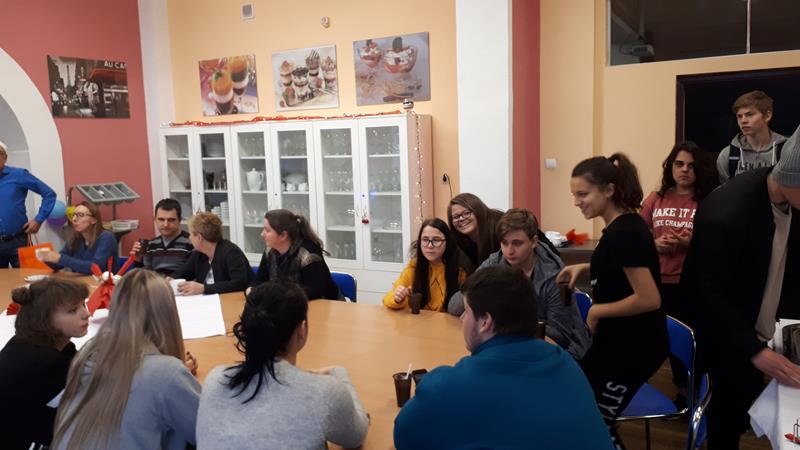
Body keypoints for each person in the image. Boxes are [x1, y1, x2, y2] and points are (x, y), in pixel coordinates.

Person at [394, 266, 614, 450]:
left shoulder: (454, 385)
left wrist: (434, 386)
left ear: (485, 322)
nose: (461, 318)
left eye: (467, 311)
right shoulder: (565, 363)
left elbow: (404, 435)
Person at [682, 124, 800, 449]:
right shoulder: (727, 213)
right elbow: (705, 295)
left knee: (742, 407)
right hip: (725, 339)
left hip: (755, 327)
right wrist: (754, 349)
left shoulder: (785, 198)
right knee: (726, 420)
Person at [558, 153, 668, 449]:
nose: (577, 202)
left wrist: (597, 311)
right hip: (615, 343)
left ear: (609, 190)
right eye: (574, 195)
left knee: (595, 422)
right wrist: (585, 268)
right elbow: (619, 267)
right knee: (578, 402)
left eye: (583, 194)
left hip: (634, 348)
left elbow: (649, 298)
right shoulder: (621, 228)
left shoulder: (626, 233)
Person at [197, 280, 370, 449]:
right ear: (302, 330)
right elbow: (356, 436)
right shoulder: (325, 393)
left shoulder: (216, 380)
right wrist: (338, 373)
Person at [52, 269, 201, 450]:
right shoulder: (166, 373)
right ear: (168, 313)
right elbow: (207, 431)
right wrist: (178, 377)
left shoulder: (88, 352)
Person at [448, 209, 591, 358]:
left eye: (517, 243)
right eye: (504, 243)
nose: (509, 251)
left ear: (534, 241)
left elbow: (561, 335)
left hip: (562, 353)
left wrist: (504, 322)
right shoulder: (496, 262)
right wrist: (475, 299)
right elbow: (454, 306)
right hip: (513, 344)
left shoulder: (555, 276)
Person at [640, 141, 716, 407]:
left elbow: (718, 241)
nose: (684, 170)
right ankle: (683, 389)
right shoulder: (655, 198)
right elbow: (637, 235)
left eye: (691, 166)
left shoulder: (707, 200)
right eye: (679, 164)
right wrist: (654, 244)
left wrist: (690, 242)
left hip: (693, 281)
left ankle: (701, 389)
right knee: (672, 338)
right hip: (660, 281)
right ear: (670, 167)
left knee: (697, 338)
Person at [0, 278, 89, 450]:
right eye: (73, 310)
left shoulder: (30, 342)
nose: (86, 314)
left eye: (83, 305)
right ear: (44, 319)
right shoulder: (47, 362)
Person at [250, 209, 339, 300]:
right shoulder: (269, 251)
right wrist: (252, 289)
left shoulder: (308, 254)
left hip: (324, 304)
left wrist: (276, 293)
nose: (262, 234)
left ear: (283, 235)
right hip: (285, 303)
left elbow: (316, 291)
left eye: (267, 230)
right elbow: (259, 281)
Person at [383, 218, 469, 312]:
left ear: (447, 242)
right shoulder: (413, 267)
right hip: (420, 319)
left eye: (436, 240)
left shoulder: (459, 270)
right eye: (425, 239)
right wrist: (398, 298)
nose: (430, 245)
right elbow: (387, 299)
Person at [0, 140, 57, 268]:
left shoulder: (18, 175)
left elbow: (49, 194)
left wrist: (38, 220)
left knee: (27, 278)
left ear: (5, 157)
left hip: (18, 242)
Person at [170, 212, 252, 295]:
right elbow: (183, 273)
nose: (189, 237)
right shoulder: (199, 254)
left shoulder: (231, 253)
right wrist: (171, 279)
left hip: (230, 300)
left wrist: (204, 288)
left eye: (190, 234)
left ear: (199, 237)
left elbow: (239, 284)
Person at [717, 90, 788, 183]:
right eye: (739, 116)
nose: (743, 121)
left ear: (767, 116)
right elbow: (726, 190)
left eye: (749, 115)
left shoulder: (787, 150)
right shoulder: (728, 155)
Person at [38, 201, 118, 274]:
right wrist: (47, 258)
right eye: (73, 215)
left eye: (80, 215)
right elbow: (59, 265)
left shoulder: (106, 237)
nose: (74, 219)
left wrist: (60, 258)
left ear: (94, 220)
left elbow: (96, 267)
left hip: (103, 284)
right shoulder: (75, 238)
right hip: (82, 282)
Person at [132, 198, 193, 275]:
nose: (165, 225)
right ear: (155, 220)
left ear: (179, 220)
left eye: (171, 220)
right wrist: (138, 259)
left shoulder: (191, 243)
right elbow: (145, 276)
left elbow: (193, 274)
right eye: (161, 219)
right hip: (155, 282)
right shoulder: (151, 245)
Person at [447, 193, 503, 270]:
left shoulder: (498, 228)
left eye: (466, 213)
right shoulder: (460, 241)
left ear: (478, 210)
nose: (461, 219)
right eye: (456, 217)